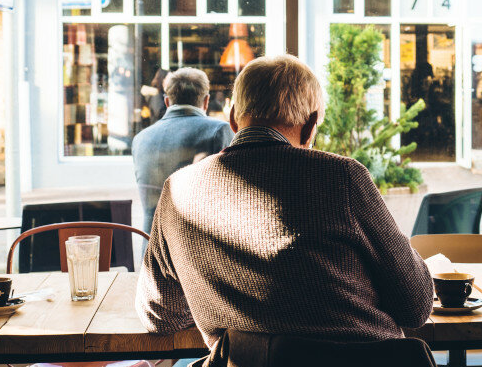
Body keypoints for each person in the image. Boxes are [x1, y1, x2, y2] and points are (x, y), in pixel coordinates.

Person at [136, 54, 433, 347]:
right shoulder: (342, 177)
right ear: (310, 125)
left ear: (233, 119)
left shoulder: (178, 190)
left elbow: (160, 315)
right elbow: (416, 305)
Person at [132, 67, 233, 236]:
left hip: (151, 250)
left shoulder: (140, 139)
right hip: (197, 250)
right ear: (206, 101)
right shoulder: (218, 131)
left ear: (167, 102)